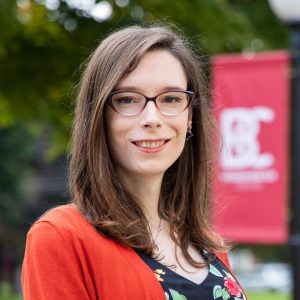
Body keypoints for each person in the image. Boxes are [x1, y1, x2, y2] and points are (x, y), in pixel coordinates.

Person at [22, 24, 247, 300]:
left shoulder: (205, 242)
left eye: (171, 98)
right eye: (127, 99)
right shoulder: (61, 237)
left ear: (190, 117)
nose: (152, 118)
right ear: (99, 117)